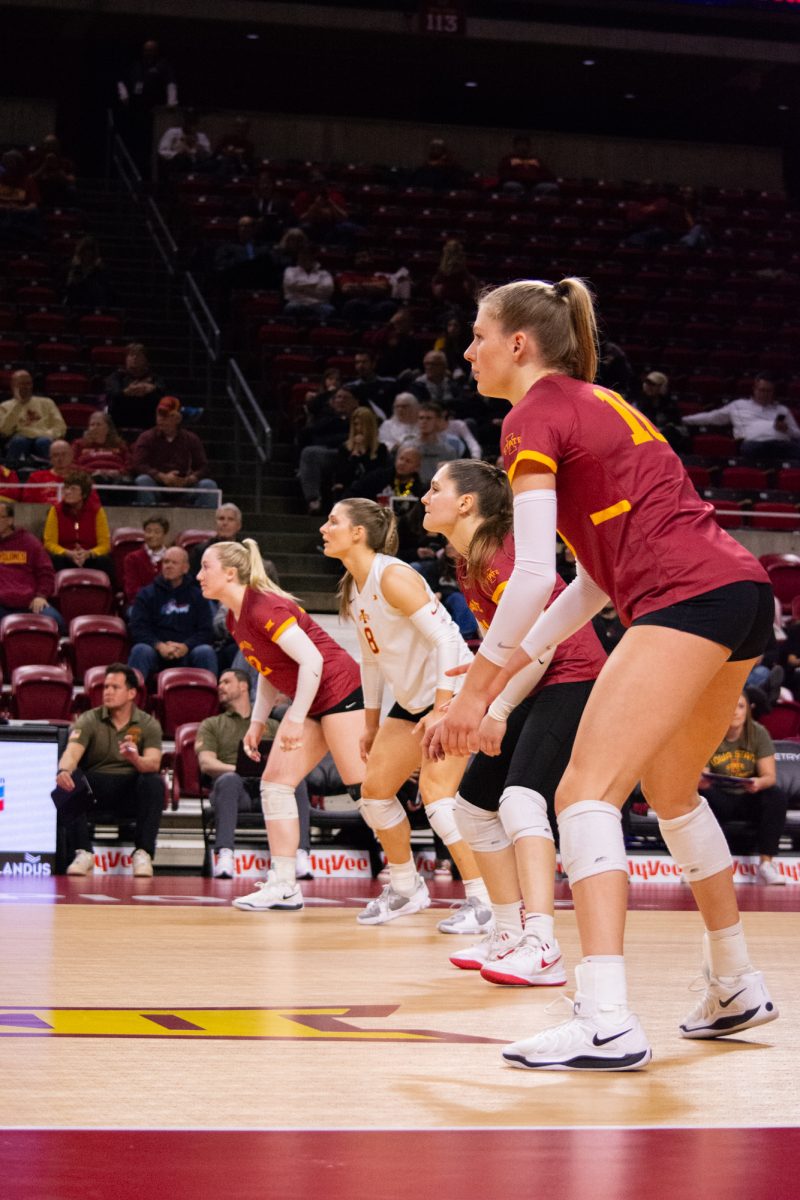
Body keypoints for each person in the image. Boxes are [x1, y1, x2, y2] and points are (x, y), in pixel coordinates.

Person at [428, 276, 777, 1071]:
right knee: (673, 790)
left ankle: (605, 1019)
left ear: (519, 343)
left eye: (479, 335)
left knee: (583, 794)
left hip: (683, 599)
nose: (468, 349)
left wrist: (477, 693)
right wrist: (506, 681)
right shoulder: (599, 403)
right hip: (741, 591)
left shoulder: (531, 416)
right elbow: (587, 585)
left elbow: (527, 578)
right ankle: (735, 979)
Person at [420, 459, 605, 975]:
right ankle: (506, 932)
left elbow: (540, 650)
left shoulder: (502, 555)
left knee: (521, 801)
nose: (424, 497)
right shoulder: (466, 559)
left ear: (465, 503)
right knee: (473, 809)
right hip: (533, 682)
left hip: (572, 678)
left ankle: (542, 943)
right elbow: (509, 645)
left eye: (435, 488)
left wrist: (492, 709)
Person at [320, 498, 491, 930]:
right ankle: (405, 887)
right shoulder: (353, 587)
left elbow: (449, 642)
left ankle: (484, 901)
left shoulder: (392, 575)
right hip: (411, 703)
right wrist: (372, 724)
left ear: (358, 532)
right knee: (374, 793)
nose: (325, 528)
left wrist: (442, 709)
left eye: (333, 521)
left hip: (452, 692)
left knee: (437, 798)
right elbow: (372, 660)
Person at [197, 539, 364, 911]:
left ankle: (411, 881)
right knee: (275, 785)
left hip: (341, 691)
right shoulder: (233, 616)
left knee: (369, 795)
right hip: (315, 699)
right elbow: (269, 669)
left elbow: (312, 661)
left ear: (230, 573)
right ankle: (285, 885)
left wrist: (293, 715)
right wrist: (257, 722)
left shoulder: (264, 606)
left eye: (205, 566)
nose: (199, 575)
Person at [56, 663, 164, 878]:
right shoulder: (89, 719)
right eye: (105, 687)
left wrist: (135, 758)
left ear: (132, 693)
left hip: (129, 789)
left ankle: (143, 853)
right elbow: (72, 753)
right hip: (96, 789)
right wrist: (64, 770)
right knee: (68, 780)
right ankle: (83, 852)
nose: (108, 692)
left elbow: (153, 763)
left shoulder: (148, 723)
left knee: (153, 781)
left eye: (115, 687)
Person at [195, 668, 280, 879]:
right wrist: (238, 769)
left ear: (243, 686)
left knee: (294, 784)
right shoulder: (212, 724)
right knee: (229, 780)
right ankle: (225, 854)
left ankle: (299, 855)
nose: (219, 687)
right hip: (233, 791)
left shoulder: (271, 725)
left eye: (226, 682)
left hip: (266, 789)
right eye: (219, 683)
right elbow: (206, 762)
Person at [699, 693, 788, 886]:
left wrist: (758, 783)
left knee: (776, 796)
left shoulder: (758, 732)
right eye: (731, 706)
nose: (735, 712)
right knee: (699, 796)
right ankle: (704, 867)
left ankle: (766, 865)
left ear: (747, 710)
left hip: (749, 796)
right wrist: (702, 781)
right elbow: (703, 773)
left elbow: (769, 777)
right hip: (719, 796)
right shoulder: (710, 733)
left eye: (740, 706)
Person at [128, 545, 217, 683]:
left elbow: (206, 631)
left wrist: (186, 646)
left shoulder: (198, 596)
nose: (168, 566)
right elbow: (138, 629)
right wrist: (159, 646)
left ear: (185, 568)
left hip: (187, 651)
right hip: (156, 651)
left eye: (174, 563)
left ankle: (209, 699)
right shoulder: (146, 594)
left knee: (205, 651)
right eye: (165, 562)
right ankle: (132, 698)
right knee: (140, 650)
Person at [683, 373, 800, 464]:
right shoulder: (739, 405)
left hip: (782, 445)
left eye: (768, 391)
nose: (765, 394)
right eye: (762, 390)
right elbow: (712, 417)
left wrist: (787, 429)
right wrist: (684, 420)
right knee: (750, 448)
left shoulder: (781, 409)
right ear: (754, 389)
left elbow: (797, 434)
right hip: (754, 445)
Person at [131, 396, 218, 507]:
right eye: (159, 414)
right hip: (157, 486)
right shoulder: (146, 437)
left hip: (184, 486)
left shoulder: (191, 438)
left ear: (177, 418)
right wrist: (162, 477)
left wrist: (189, 479)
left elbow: (204, 467)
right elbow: (139, 464)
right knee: (142, 481)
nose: (161, 419)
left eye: (166, 415)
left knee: (208, 485)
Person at [0, 499, 63, 629]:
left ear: (10, 520)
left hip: (29, 602)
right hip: (1, 604)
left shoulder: (29, 542)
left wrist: (41, 596)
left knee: (57, 622)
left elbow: (46, 572)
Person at [43, 470, 113, 577]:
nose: (67, 492)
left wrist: (88, 554)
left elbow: (105, 545)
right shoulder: (55, 510)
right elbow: (49, 543)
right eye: (66, 488)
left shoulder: (97, 511)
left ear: (84, 494)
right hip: (65, 556)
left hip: (88, 556)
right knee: (55, 560)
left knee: (105, 561)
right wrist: (68, 553)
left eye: (73, 489)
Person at [0, 370, 66, 467]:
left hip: (44, 439)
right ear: (13, 386)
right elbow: (4, 431)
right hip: (18, 441)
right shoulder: (4, 406)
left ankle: (53, 472)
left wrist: (46, 434)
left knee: (43, 441)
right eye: (21, 384)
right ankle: (10, 475)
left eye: (28, 383)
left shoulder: (47, 403)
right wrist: (18, 405)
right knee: (19, 441)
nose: (26, 387)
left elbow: (61, 427)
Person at [104, 344, 166, 434]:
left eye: (139, 355)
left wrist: (152, 389)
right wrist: (126, 392)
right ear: (126, 359)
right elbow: (112, 394)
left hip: (148, 425)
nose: (134, 358)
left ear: (145, 359)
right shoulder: (117, 377)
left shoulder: (155, 378)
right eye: (131, 355)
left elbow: (163, 394)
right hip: (120, 423)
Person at [331, 407, 389, 500]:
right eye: (356, 424)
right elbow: (342, 476)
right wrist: (355, 456)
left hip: (371, 491)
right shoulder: (345, 448)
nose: (359, 429)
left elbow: (376, 475)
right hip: (349, 490)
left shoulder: (381, 449)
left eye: (363, 425)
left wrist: (363, 454)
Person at [72, 412, 131, 485]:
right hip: (89, 479)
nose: (94, 428)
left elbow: (130, 465)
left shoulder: (120, 445)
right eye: (92, 425)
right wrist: (93, 472)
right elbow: (72, 464)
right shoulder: (79, 444)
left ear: (108, 428)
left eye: (98, 424)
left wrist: (118, 472)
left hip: (116, 479)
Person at [122, 515, 170, 607]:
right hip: (140, 604)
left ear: (164, 535)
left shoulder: (172, 557)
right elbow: (131, 591)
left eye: (157, 532)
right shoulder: (132, 558)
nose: (152, 535)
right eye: (148, 531)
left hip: (167, 604)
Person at [282, 244, 336, 321]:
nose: (302, 258)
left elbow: (327, 291)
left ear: (313, 257)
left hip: (319, 304)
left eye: (306, 255)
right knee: (290, 308)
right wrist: (315, 287)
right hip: (297, 302)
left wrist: (300, 288)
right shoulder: (290, 270)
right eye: (301, 255)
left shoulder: (324, 273)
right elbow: (290, 285)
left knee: (329, 310)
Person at [64, 236, 113, 308]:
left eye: (90, 251)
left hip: (93, 303)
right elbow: (68, 286)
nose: (87, 254)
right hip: (75, 302)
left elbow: (104, 289)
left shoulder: (100, 269)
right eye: (85, 251)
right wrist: (76, 269)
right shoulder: (72, 266)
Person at [23, 439, 74, 504]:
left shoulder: (80, 478)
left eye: (64, 454)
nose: (60, 458)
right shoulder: (36, 477)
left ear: (71, 455)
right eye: (56, 455)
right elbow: (28, 505)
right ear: (50, 458)